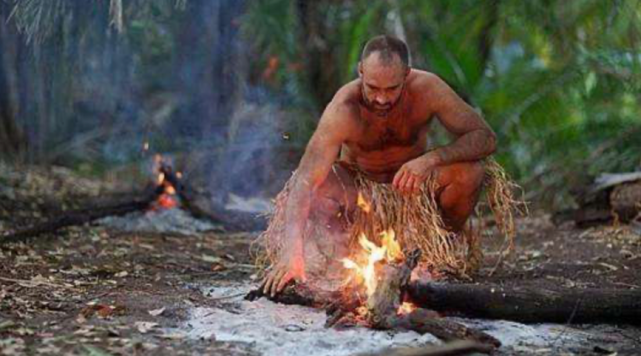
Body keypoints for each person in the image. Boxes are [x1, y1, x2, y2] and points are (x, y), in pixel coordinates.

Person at [260, 35, 497, 297]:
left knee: (469, 173)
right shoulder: (343, 108)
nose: (382, 99)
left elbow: (484, 137)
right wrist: (291, 254)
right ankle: (336, 259)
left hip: (414, 193)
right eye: (372, 87)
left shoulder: (428, 89)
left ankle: (438, 253)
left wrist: (431, 159)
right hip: (361, 200)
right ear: (361, 70)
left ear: (407, 75)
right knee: (320, 184)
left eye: (392, 89)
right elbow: (305, 178)